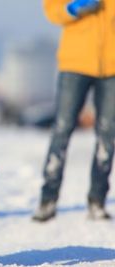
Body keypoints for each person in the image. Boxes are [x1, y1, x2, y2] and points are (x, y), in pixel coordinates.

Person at [33, 0, 115, 222]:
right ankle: (47, 200)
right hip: (75, 64)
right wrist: (71, 8)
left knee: (108, 134)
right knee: (62, 128)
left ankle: (97, 201)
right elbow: (52, 9)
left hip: (112, 67)